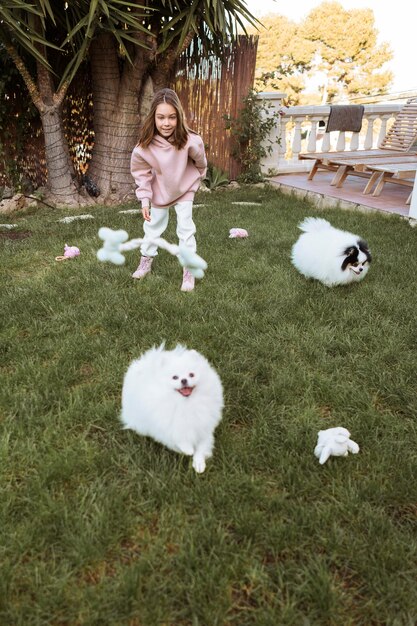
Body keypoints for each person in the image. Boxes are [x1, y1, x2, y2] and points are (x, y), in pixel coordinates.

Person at [130, 88, 207, 292]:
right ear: (153, 118)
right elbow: (141, 175)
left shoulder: (191, 140)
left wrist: (195, 179)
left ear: (178, 117)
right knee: (153, 228)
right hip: (159, 192)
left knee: (185, 228)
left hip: (184, 190)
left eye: (172, 117)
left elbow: (201, 162)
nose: (166, 123)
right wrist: (145, 200)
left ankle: (188, 270)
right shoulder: (144, 147)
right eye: (161, 117)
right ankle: (146, 260)